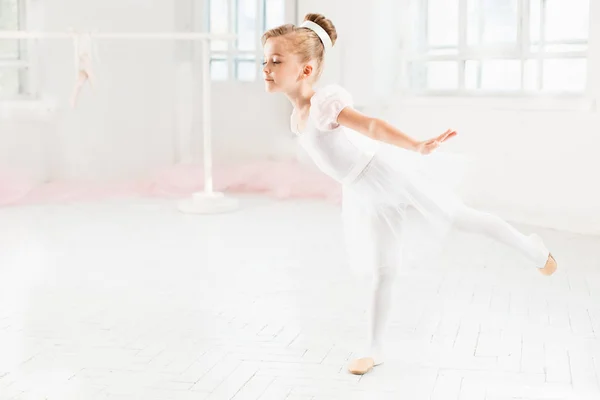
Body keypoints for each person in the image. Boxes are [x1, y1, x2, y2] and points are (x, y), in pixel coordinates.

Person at [261, 13, 557, 376]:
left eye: (276, 61)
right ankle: (373, 348)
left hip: (387, 176)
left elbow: (370, 125)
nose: (266, 68)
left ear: (306, 70)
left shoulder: (325, 104)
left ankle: (534, 249)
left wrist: (415, 145)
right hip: (364, 193)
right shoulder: (297, 118)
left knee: (461, 217)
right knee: (383, 269)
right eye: (265, 61)